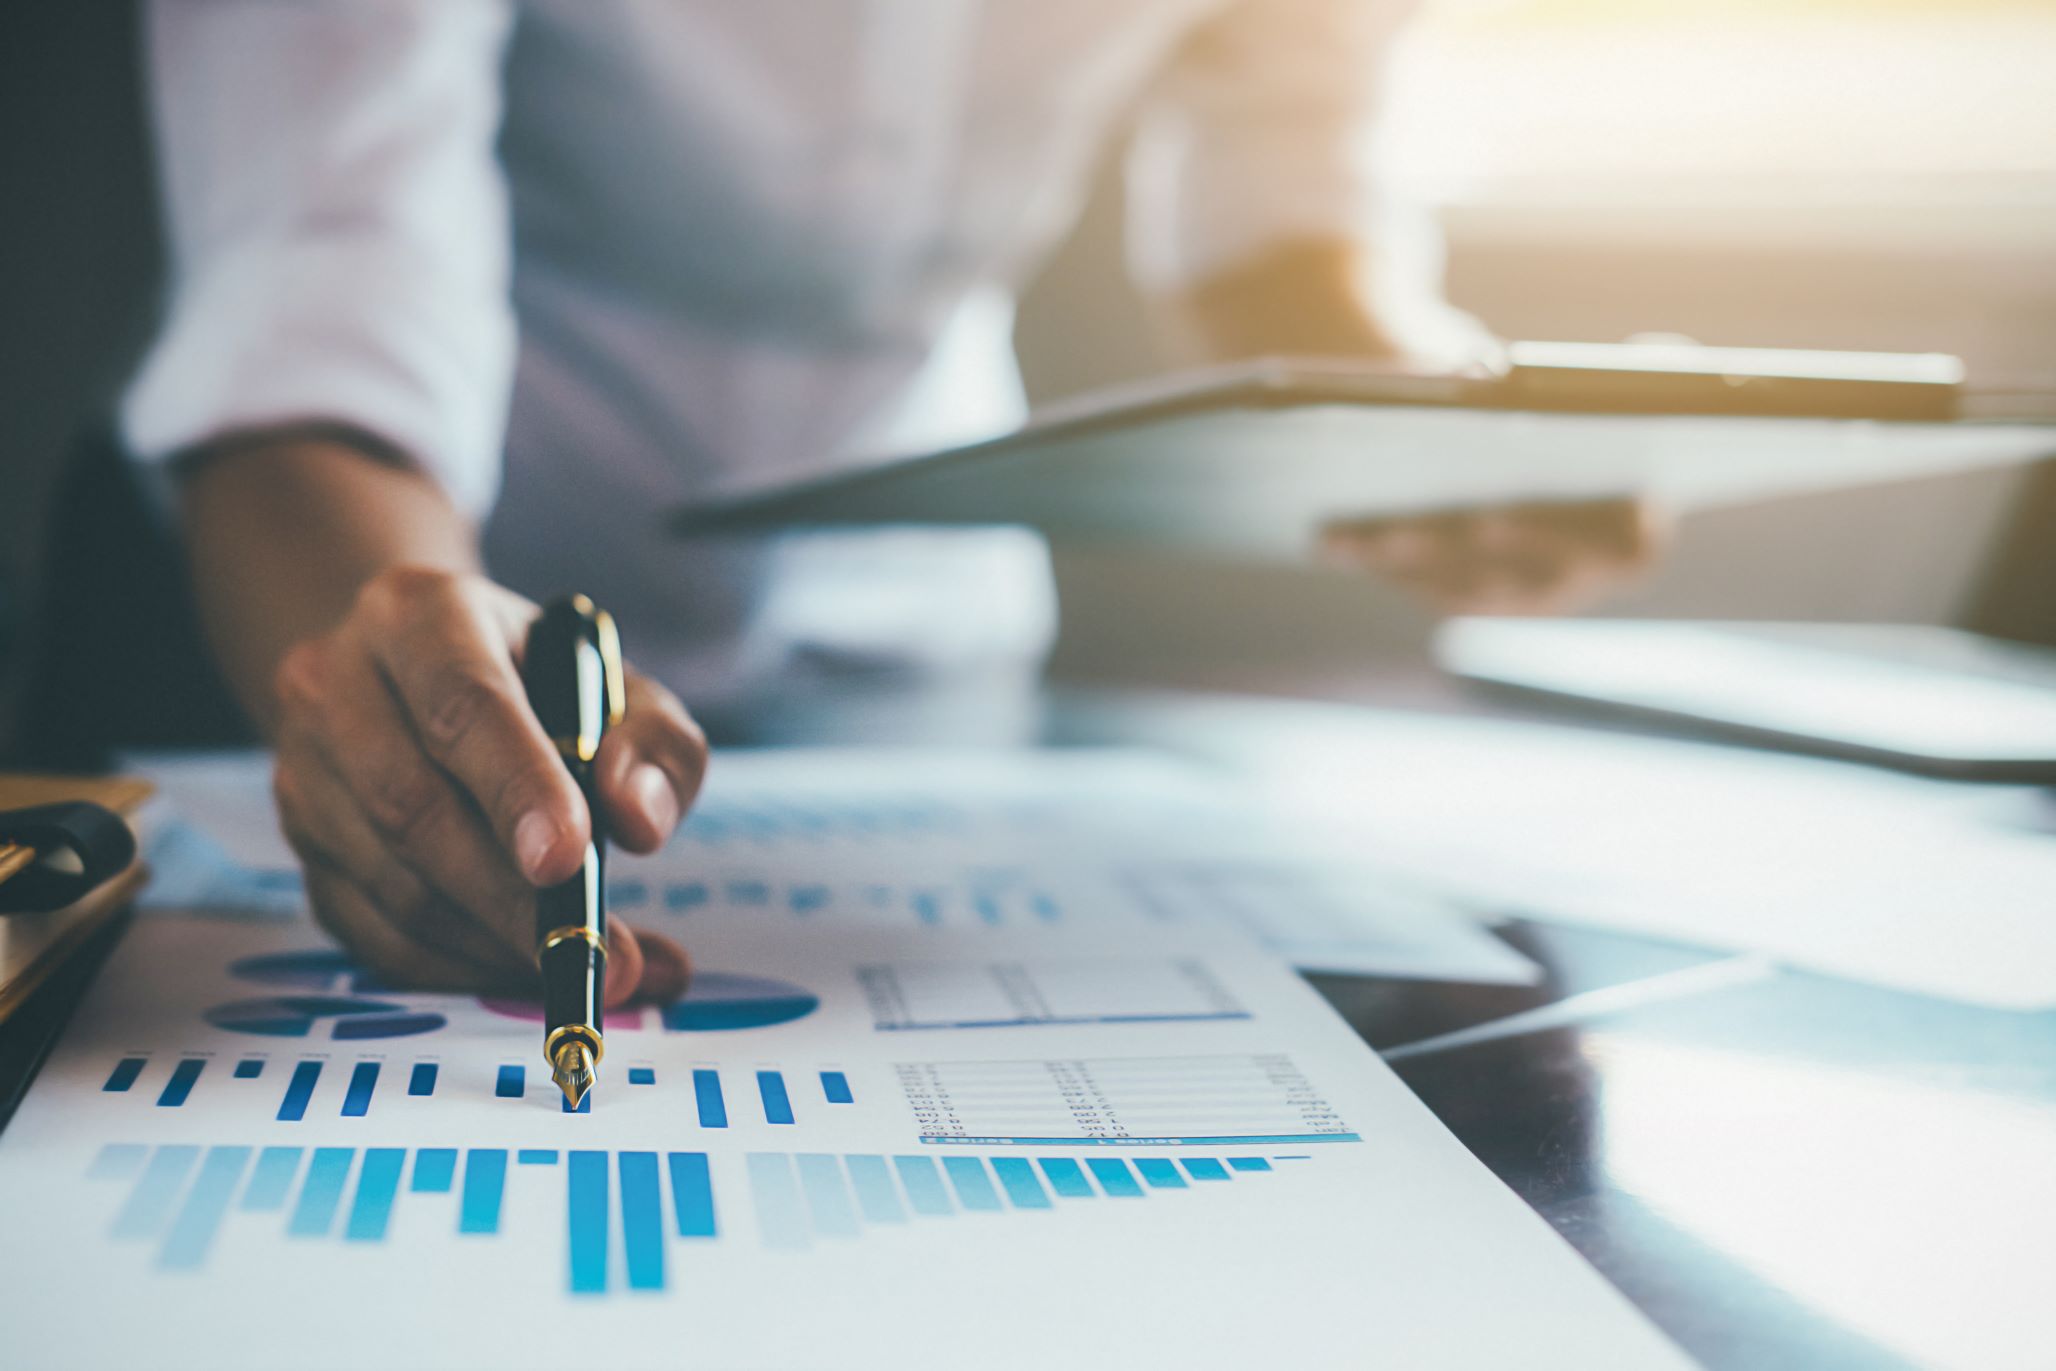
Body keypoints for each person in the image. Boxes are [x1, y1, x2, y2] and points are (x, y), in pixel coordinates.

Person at [125, 1, 1657, 1003]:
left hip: (918, 636)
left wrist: (1437, 418)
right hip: (389, 579)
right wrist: (381, 639)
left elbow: (1283, 212)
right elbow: (318, 264)